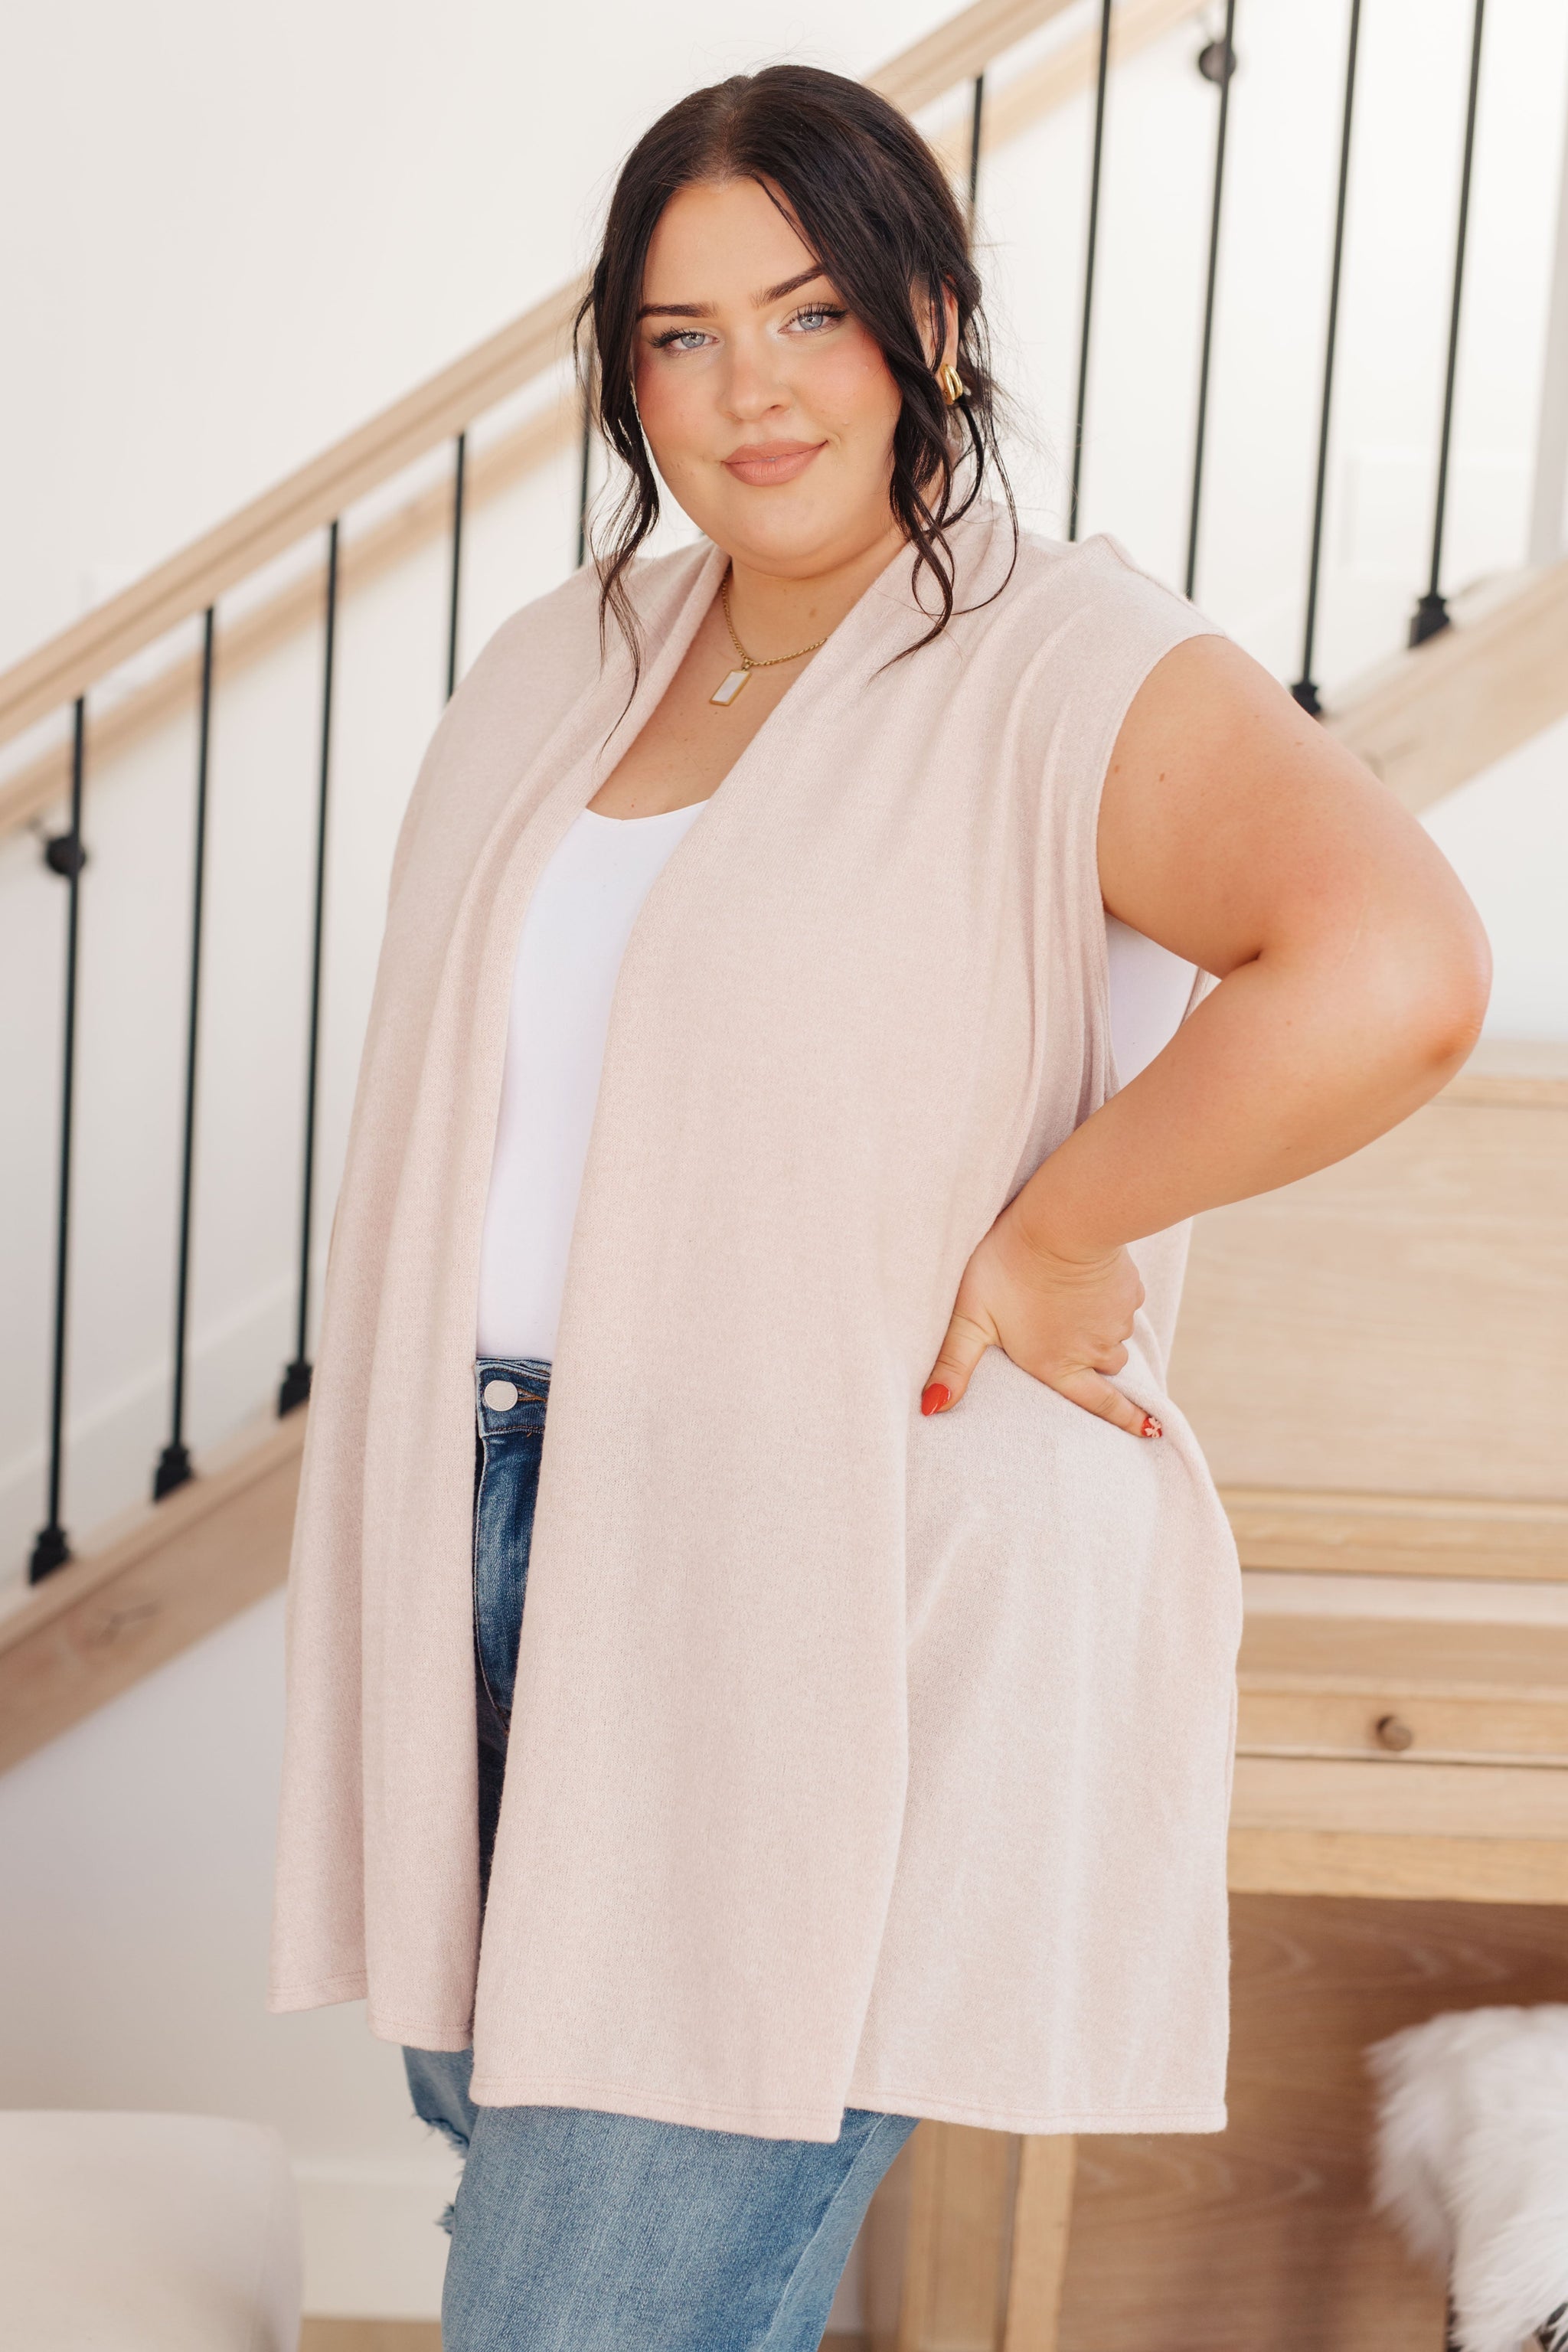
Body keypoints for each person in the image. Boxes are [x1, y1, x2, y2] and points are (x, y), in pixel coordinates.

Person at [269, 64, 1489, 2352]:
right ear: (628, 373)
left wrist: (1063, 1228)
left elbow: (1398, 969)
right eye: (685, 334)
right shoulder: (566, 661)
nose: (753, 390)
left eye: (812, 312)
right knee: (553, 2226)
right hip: (488, 1528)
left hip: (795, 1577)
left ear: (929, 316)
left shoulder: (1066, 663)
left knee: (578, 2314)